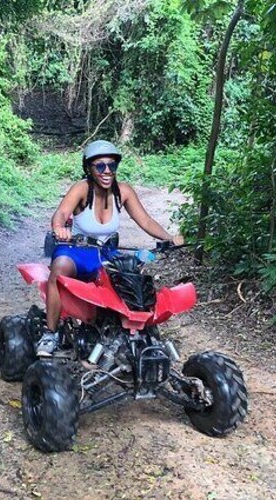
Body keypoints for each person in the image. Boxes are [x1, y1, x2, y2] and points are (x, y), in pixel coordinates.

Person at [37, 140, 184, 357]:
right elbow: (61, 213)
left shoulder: (123, 192)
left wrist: (169, 238)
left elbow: (145, 220)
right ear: (89, 168)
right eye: (100, 166)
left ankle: (134, 335)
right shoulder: (81, 189)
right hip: (75, 249)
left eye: (111, 166)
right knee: (58, 271)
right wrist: (59, 227)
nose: (107, 171)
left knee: (132, 277)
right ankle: (50, 333)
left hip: (105, 252)